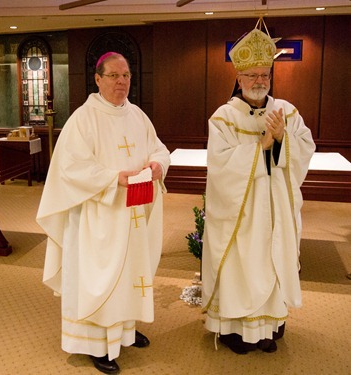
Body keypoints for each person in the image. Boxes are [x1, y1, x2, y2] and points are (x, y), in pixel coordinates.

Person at [37, 52, 170, 374]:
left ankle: (124, 330)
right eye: (113, 76)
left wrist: (156, 164)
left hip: (134, 212)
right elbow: (70, 168)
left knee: (130, 273)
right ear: (98, 79)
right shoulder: (84, 118)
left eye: (125, 75)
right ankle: (97, 345)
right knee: (101, 278)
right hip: (99, 217)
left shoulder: (137, 115)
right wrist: (114, 178)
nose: (121, 82)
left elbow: (159, 148)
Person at [201, 18, 316, 354]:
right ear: (238, 78)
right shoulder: (224, 116)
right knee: (242, 266)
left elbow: (305, 147)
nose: (259, 81)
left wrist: (282, 139)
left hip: (277, 208)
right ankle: (237, 332)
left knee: (272, 262)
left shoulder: (286, 111)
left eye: (264, 75)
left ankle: (268, 329)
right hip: (242, 210)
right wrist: (259, 146)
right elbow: (219, 165)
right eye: (251, 75)